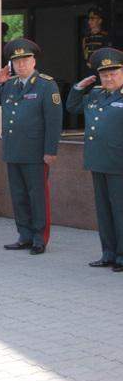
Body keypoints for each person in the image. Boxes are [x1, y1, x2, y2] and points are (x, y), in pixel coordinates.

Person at [0, 38, 63, 255]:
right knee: (18, 196)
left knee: (37, 196)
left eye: (25, 60)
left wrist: (50, 150)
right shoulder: (9, 84)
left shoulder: (46, 85)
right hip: (13, 150)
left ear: (33, 61)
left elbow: (53, 121)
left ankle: (39, 238)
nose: (21, 65)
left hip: (36, 152)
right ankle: (24, 235)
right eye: (16, 61)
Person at [66, 47, 123, 273]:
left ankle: (121, 255)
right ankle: (108, 253)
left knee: (120, 211)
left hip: (119, 164)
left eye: (113, 73)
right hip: (98, 161)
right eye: (104, 75)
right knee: (104, 211)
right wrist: (79, 87)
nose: (108, 78)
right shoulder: (96, 95)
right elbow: (72, 107)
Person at [81, 6, 113, 76]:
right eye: (89, 19)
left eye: (92, 19)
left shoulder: (105, 37)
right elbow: (85, 55)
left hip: (102, 71)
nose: (89, 22)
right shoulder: (86, 38)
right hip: (89, 71)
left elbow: (108, 56)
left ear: (100, 21)